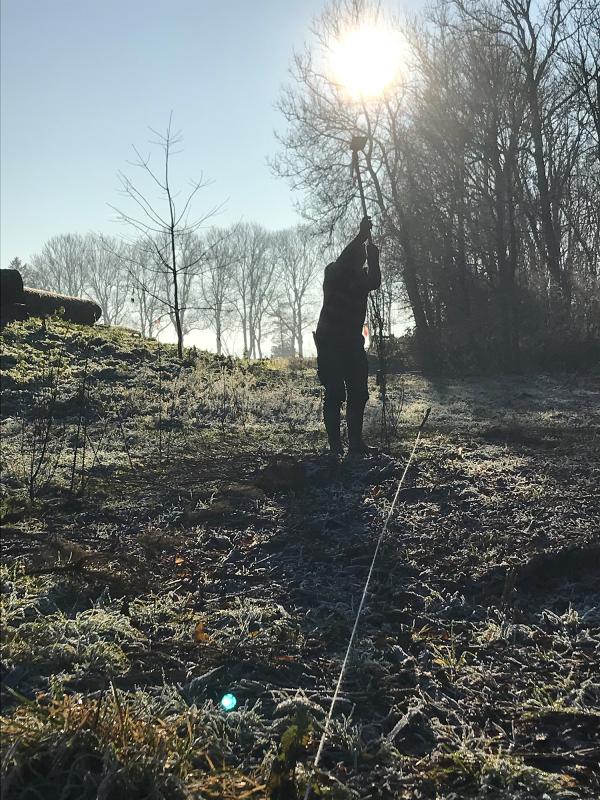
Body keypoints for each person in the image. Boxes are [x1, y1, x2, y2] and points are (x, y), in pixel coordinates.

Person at [314, 216, 381, 456]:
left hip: (351, 341)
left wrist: (374, 260)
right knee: (334, 393)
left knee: (358, 392)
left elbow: (375, 280)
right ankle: (335, 446)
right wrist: (362, 237)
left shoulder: (359, 278)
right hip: (330, 341)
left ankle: (354, 443)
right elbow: (350, 266)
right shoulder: (334, 273)